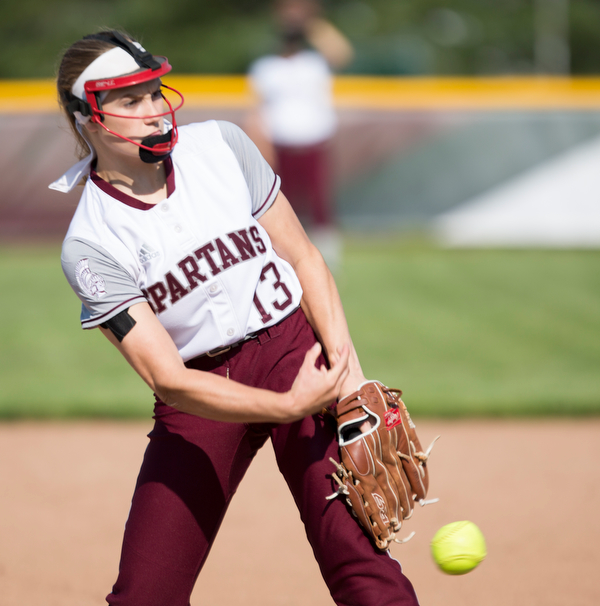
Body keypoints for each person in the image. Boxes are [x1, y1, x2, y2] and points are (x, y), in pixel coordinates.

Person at [50, 30, 420, 606]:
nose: (152, 110)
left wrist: (347, 376)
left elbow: (304, 258)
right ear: (87, 119)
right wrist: (283, 409)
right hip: (202, 395)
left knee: (359, 562)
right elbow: (168, 379)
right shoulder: (91, 243)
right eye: (129, 99)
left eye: (153, 91)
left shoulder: (221, 145)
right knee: (146, 594)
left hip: (296, 354)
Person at [247, 0, 353, 272]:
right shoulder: (266, 67)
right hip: (281, 143)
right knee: (284, 201)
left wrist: (309, 21)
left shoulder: (315, 63)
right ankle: (286, 253)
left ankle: (328, 254)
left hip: (313, 141)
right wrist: (260, 145)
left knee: (319, 200)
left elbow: (342, 53)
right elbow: (256, 110)